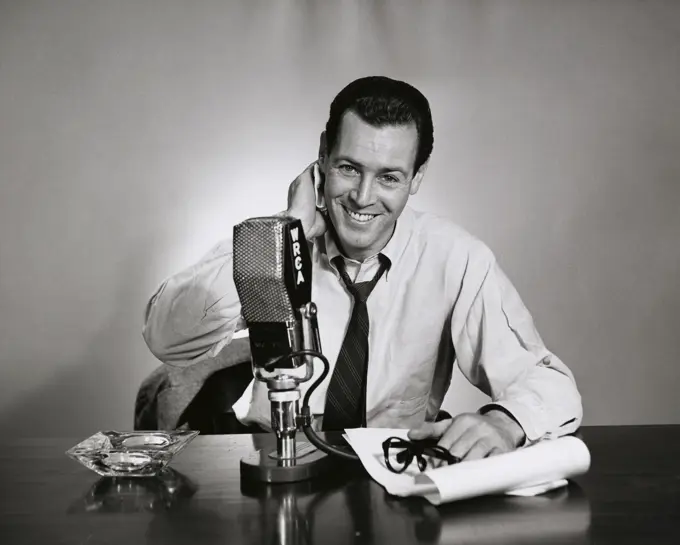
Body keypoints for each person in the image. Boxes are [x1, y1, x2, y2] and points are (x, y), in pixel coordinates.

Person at [143, 76, 582, 462]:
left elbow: (546, 380)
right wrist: (283, 235)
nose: (363, 198)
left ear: (418, 176)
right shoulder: (276, 242)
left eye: (389, 177)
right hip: (276, 463)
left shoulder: (457, 258)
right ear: (322, 156)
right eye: (349, 169)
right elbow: (165, 337)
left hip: (390, 471)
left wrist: (506, 422)